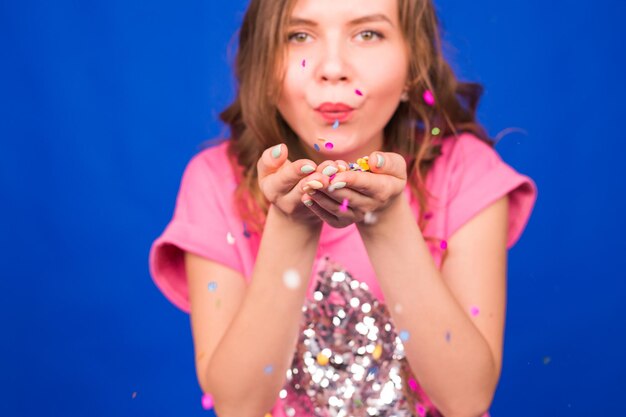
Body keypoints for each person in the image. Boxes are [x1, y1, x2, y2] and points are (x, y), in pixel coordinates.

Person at [148, 0, 538, 416]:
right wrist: (292, 226)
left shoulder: (466, 173)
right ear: (263, 64)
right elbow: (237, 405)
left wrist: (384, 222)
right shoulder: (215, 182)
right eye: (299, 35)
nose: (333, 67)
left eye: (368, 34)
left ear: (413, 66)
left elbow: (467, 398)